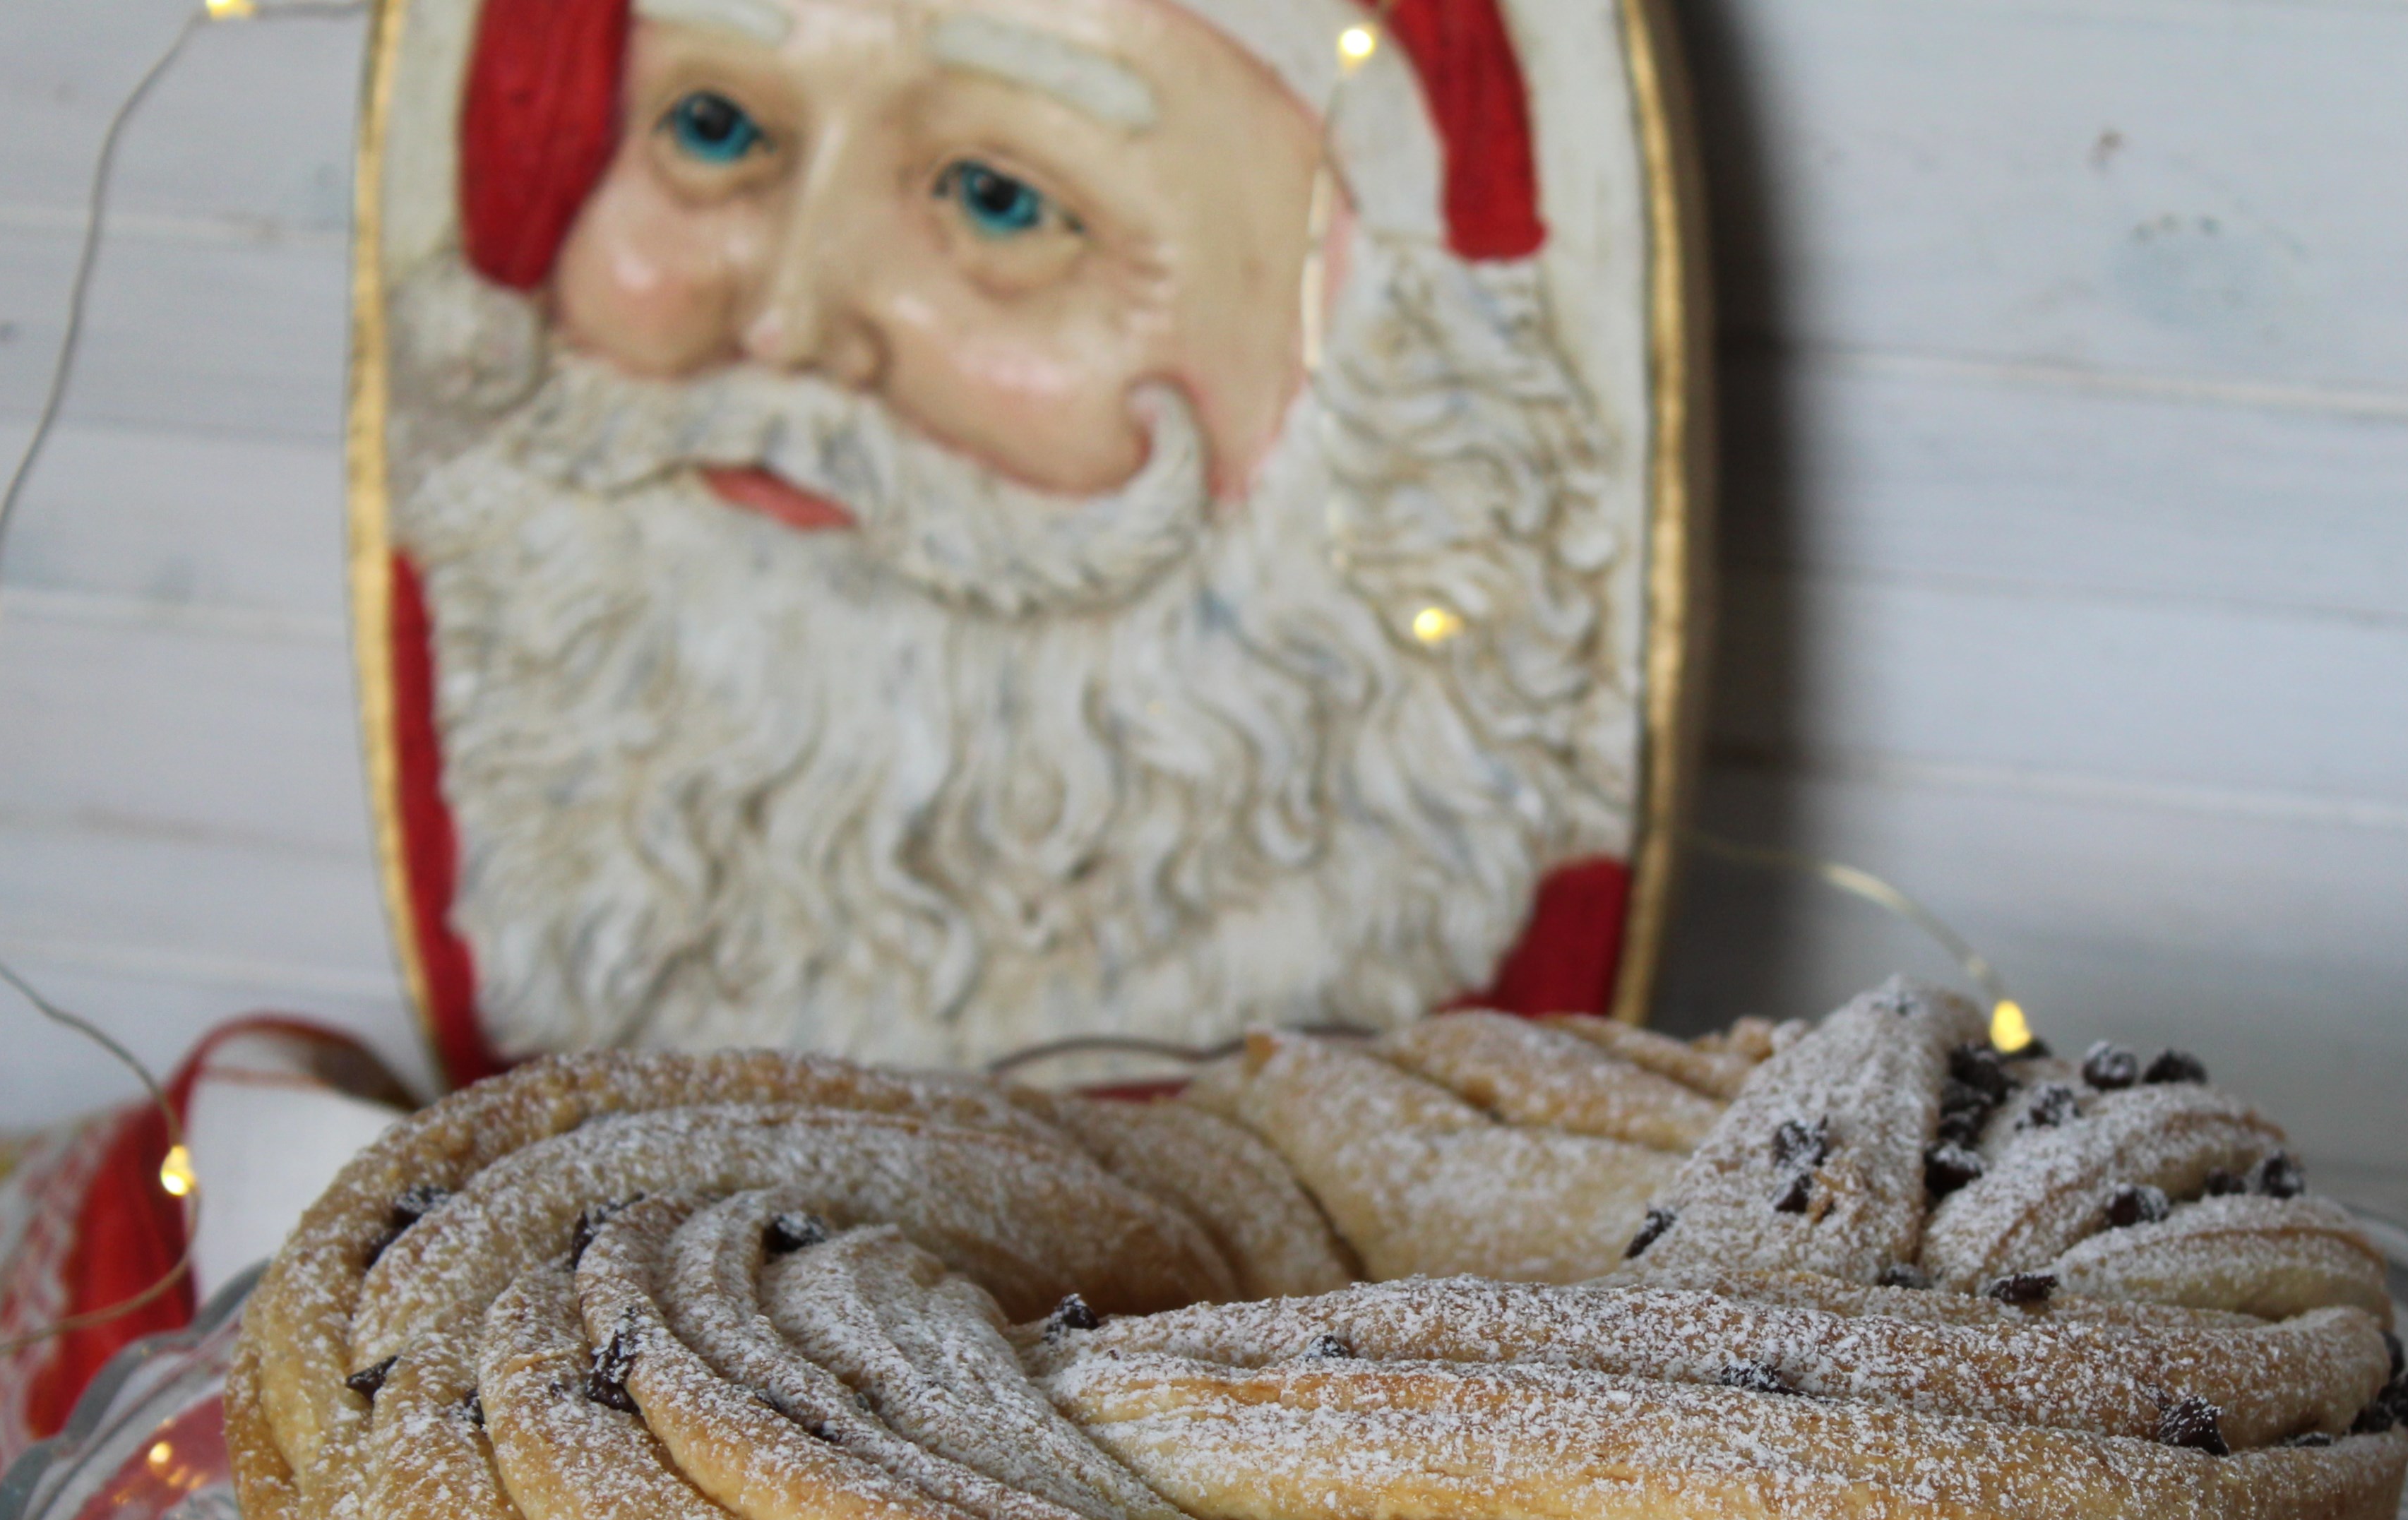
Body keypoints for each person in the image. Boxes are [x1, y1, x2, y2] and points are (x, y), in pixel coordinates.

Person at [374, 0, 1644, 1072]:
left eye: (1000, 201)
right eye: (714, 128)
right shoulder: (484, 778)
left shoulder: (1524, 1013)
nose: (791, 324)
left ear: (1373, 351)